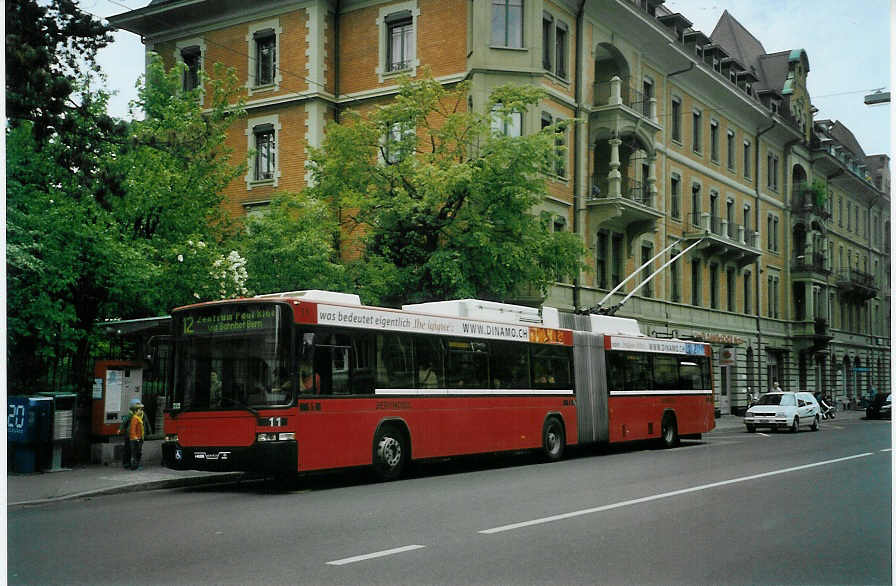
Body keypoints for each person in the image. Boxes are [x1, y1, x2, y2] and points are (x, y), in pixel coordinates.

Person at [127, 402, 148, 470]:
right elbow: (132, 429)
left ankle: (136, 465)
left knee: (138, 453)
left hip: (139, 438)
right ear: (136, 411)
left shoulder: (139, 418)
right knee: (135, 453)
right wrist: (136, 437)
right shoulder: (135, 419)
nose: (141, 411)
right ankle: (134, 466)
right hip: (135, 439)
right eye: (140, 410)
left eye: (141, 409)